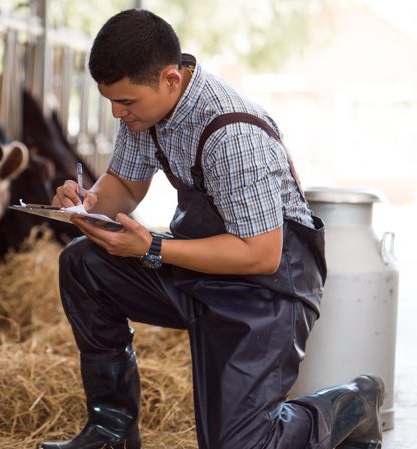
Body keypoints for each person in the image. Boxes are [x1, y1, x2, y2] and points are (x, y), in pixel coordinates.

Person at [42, 9, 384, 449]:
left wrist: (152, 248)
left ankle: (353, 403)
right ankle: (112, 432)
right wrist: (84, 204)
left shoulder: (232, 133)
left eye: (125, 102)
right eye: (110, 100)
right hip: (203, 269)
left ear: (170, 79)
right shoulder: (144, 114)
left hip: (267, 290)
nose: (117, 112)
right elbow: (125, 186)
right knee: (83, 263)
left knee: (238, 445)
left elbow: (261, 254)